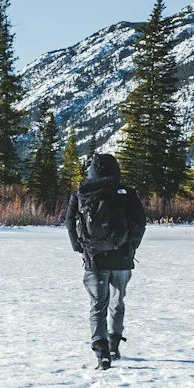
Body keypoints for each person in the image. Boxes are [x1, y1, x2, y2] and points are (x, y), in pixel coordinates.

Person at [65, 150, 147, 369]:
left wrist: (78, 247)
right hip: (121, 258)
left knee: (97, 305)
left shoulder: (82, 192)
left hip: (94, 257)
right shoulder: (126, 193)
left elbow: (69, 221)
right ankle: (114, 343)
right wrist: (131, 247)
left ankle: (101, 352)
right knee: (117, 301)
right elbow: (140, 221)